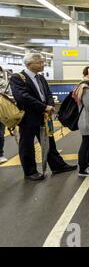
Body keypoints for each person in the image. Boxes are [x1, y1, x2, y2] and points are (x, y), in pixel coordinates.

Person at [10, 53, 77, 181]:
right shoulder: (17, 78)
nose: (43, 64)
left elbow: (48, 93)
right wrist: (43, 107)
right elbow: (23, 97)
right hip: (27, 118)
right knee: (27, 145)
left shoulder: (40, 78)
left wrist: (50, 106)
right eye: (39, 62)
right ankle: (30, 172)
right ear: (29, 64)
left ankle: (58, 166)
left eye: (43, 62)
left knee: (49, 142)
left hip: (44, 116)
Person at [0, 66, 8, 164]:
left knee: (0, 135)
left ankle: (0, 154)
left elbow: (6, 95)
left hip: (1, 112)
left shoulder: (2, 83)